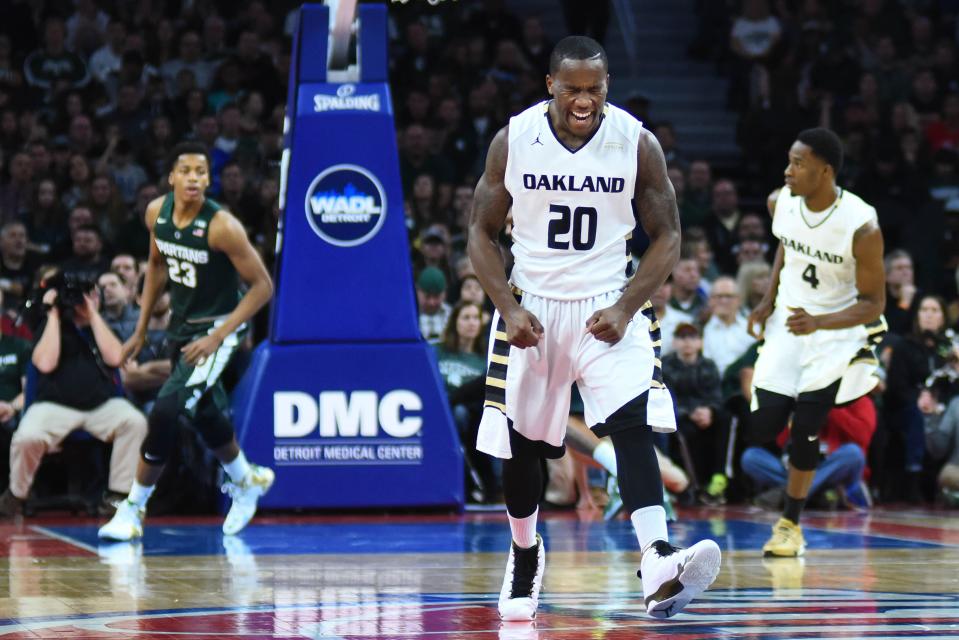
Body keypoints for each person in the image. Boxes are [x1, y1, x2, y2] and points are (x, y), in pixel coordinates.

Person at [467, 36, 720, 622]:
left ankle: (656, 558)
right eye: (573, 88)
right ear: (550, 84)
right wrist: (507, 307)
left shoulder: (636, 142)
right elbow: (480, 232)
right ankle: (525, 554)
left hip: (610, 302)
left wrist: (629, 306)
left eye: (595, 89)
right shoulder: (514, 138)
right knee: (524, 447)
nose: (585, 100)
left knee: (632, 421)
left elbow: (668, 236)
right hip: (533, 304)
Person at [98, 142, 275, 541]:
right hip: (181, 325)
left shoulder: (222, 226)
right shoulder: (155, 213)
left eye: (201, 172)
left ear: (209, 180)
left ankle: (132, 509)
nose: (194, 178)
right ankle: (246, 481)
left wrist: (218, 336)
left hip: (217, 331)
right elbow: (157, 265)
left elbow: (263, 287)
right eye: (187, 171)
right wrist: (141, 331)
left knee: (165, 409)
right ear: (172, 178)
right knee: (204, 412)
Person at [747, 128, 886, 558]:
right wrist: (766, 302)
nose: (787, 171)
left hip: (835, 331)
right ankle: (803, 456)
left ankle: (790, 524)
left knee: (805, 428)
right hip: (791, 321)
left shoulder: (862, 226)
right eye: (788, 161)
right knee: (765, 427)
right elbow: (785, 248)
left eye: (798, 164)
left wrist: (821, 321)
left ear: (825, 172)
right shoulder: (780, 201)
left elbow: (874, 303)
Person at [0, 271, 147, 518]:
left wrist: (92, 314)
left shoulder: (102, 328)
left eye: (88, 296)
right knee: (27, 437)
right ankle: (17, 494)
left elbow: (115, 358)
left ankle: (118, 496)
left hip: (101, 407)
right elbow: (45, 363)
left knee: (135, 422)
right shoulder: (50, 326)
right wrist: (54, 314)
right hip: (53, 407)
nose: (78, 301)